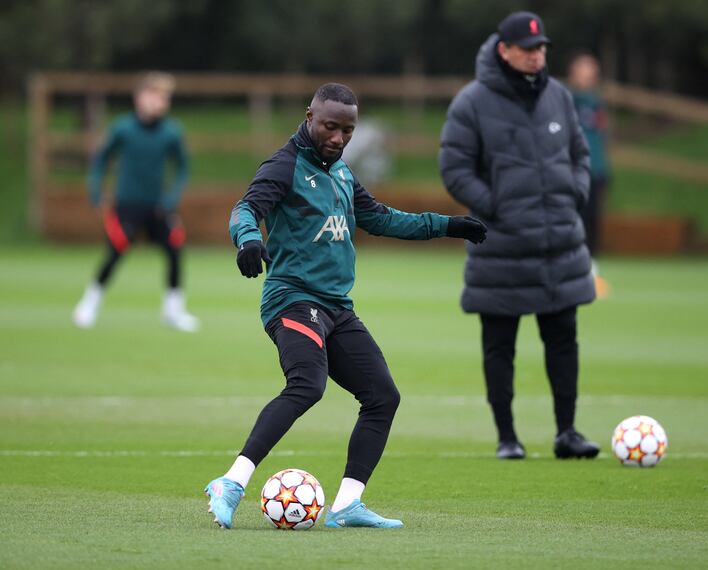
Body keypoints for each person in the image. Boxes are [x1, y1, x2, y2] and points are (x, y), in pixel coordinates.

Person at [204, 83, 486, 529]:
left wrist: (447, 225)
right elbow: (246, 208)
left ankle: (347, 505)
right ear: (310, 116)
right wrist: (249, 240)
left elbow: (380, 218)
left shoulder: (340, 172)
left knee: (382, 396)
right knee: (307, 385)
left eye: (348, 130)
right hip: (293, 300)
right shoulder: (283, 166)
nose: (338, 138)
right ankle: (231, 483)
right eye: (331, 127)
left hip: (336, 306)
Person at [439, 12, 600, 461]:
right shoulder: (471, 103)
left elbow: (579, 153)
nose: (537, 56)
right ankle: (507, 437)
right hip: (502, 247)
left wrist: (576, 195)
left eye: (542, 48)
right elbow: (454, 169)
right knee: (499, 345)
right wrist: (496, 208)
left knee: (564, 341)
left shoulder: (559, 97)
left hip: (559, 247)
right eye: (528, 49)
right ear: (504, 50)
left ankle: (567, 432)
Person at [72, 72, 198, 332]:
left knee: (175, 248)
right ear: (140, 97)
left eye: (165, 97)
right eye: (156, 96)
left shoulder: (171, 133)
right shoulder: (123, 128)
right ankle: (89, 304)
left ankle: (173, 311)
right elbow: (101, 160)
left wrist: (172, 197)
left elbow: (183, 168)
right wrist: (96, 190)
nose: (161, 102)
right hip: (126, 206)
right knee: (116, 251)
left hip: (158, 207)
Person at [568, 53, 611, 298]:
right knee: (573, 220)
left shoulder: (597, 103)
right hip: (572, 171)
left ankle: (589, 269)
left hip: (596, 170)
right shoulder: (567, 101)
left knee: (592, 220)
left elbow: (601, 137)